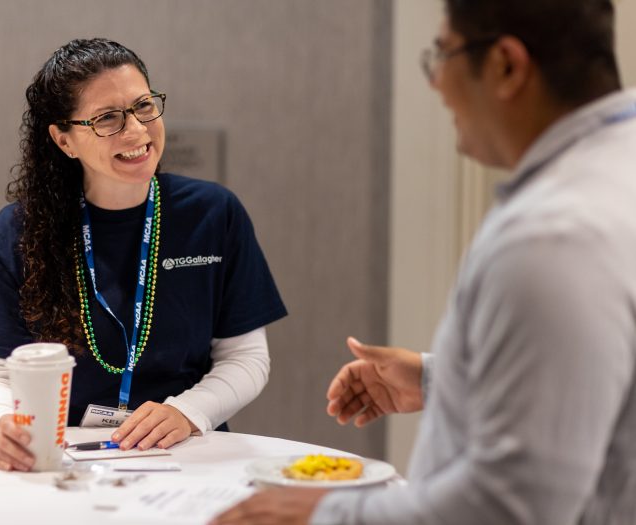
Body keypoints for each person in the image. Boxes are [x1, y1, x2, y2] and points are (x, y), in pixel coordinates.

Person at [212, 0, 636, 523]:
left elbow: (511, 506)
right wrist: (447, 381)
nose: (435, 82)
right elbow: (597, 381)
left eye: (444, 53)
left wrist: (323, 513)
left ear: (505, 65)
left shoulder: (550, 238)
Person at [0, 38, 287, 472]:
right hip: (61, 458)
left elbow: (246, 357)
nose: (137, 131)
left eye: (144, 106)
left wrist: (188, 412)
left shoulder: (213, 214)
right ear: (64, 139)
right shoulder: (21, 229)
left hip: (187, 454)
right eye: (108, 118)